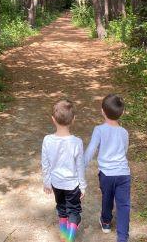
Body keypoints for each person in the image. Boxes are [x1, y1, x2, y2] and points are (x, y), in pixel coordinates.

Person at [84, 94, 131, 242]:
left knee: (107, 198)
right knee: (124, 206)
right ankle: (122, 238)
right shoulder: (124, 132)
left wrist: (81, 167)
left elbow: (91, 150)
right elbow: (124, 150)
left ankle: (106, 222)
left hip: (106, 174)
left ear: (102, 111)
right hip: (123, 174)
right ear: (122, 113)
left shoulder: (99, 130)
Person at [42, 99, 87, 242]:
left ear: (52, 119)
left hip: (56, 183)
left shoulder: (47, 140)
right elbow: (80, 166)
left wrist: (47, 182)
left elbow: (45, 164)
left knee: (61, 209)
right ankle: (69, 238)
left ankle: (64, 237)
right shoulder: (76, 142)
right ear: (73, 120)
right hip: (72, 185)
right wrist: (83, 186)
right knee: (74, 212)